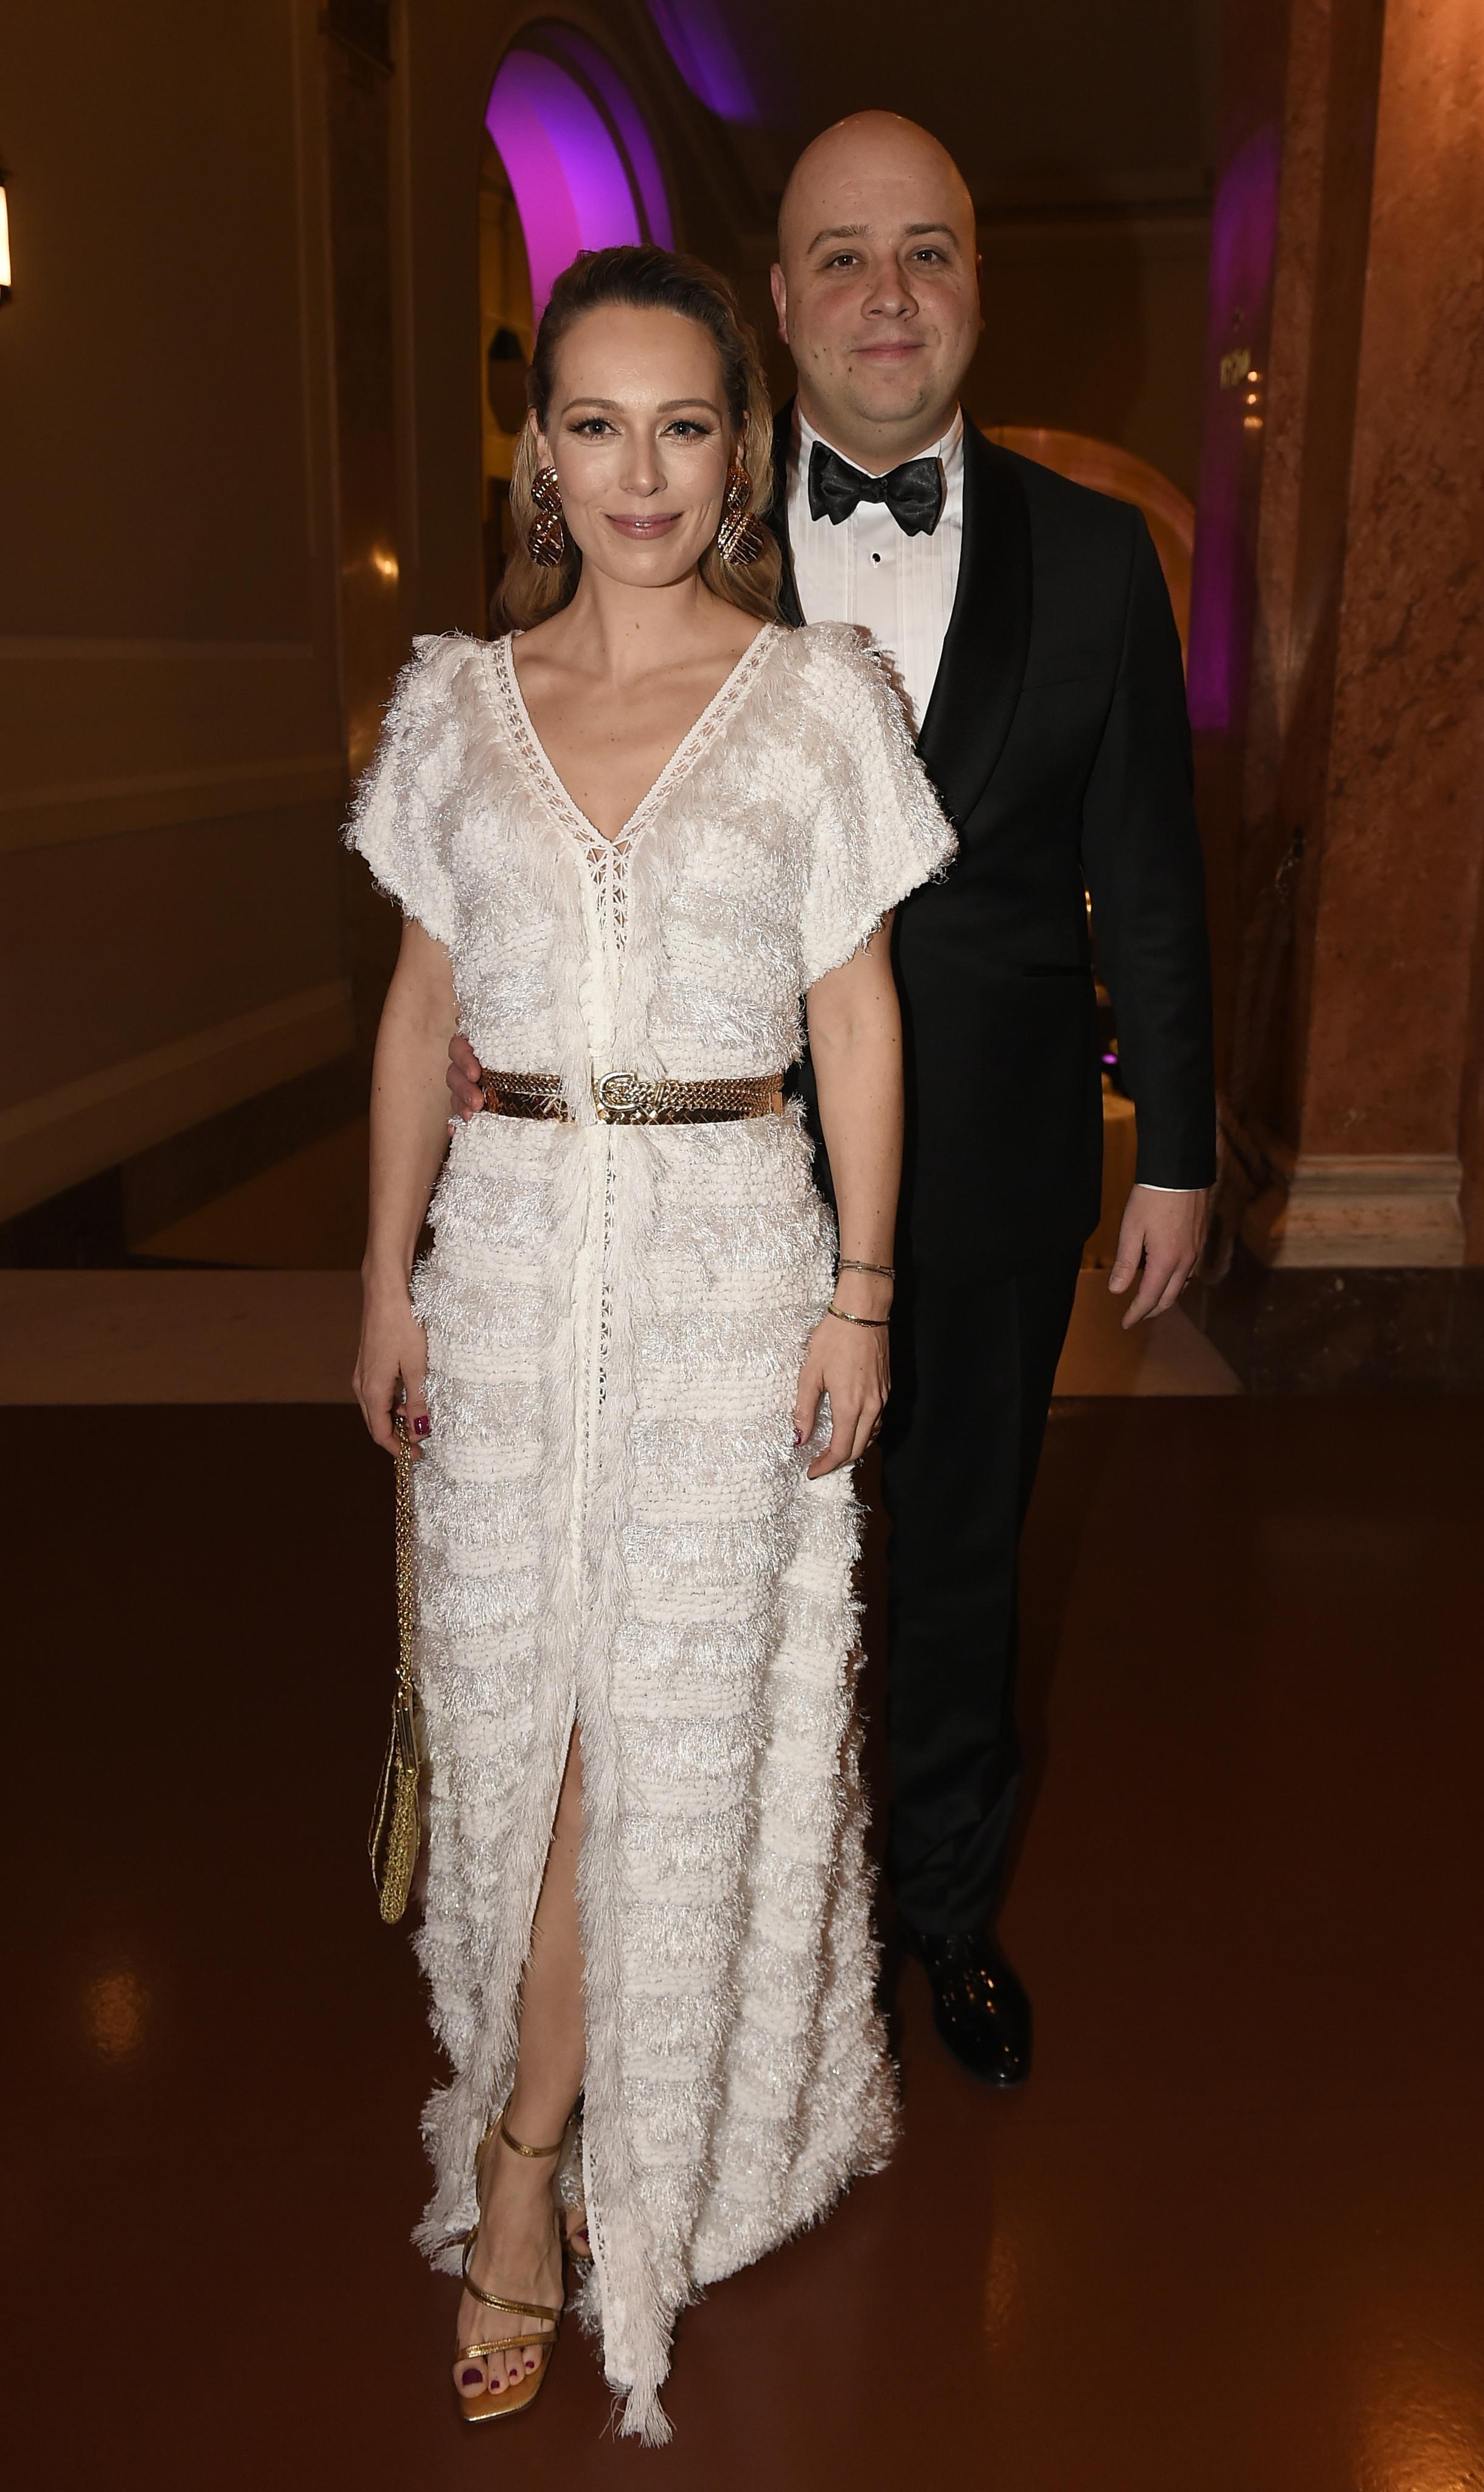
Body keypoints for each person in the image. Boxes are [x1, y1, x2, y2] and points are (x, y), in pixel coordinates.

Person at [448, 114, 1216, 2091]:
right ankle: (713, 1938)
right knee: (713, 1577)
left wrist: (1183, 1146)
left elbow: (1148, 872)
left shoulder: (1096, 556)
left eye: (928, 252)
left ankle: (937, 1916)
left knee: (956, 1558)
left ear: (977, 287)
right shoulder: (674, 519)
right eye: (845, 258)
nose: (890, 294)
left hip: (997, 1164)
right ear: (779, 301)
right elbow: (539, 799)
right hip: (715, 1173)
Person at [347, 243, 954, 2442]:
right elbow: (419, 1015)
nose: (639, 471)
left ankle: (537, 2160)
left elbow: (857, 1023)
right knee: (518, 1712)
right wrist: (382, 1276)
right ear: (542, 454)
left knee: (650, 1724)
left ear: (737, 448)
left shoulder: (815, 703)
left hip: (727, 1271)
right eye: (594, 425)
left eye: (683, 426)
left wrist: (861, 1295)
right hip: (508, 1262)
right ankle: (558, 2099)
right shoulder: (455, 709)